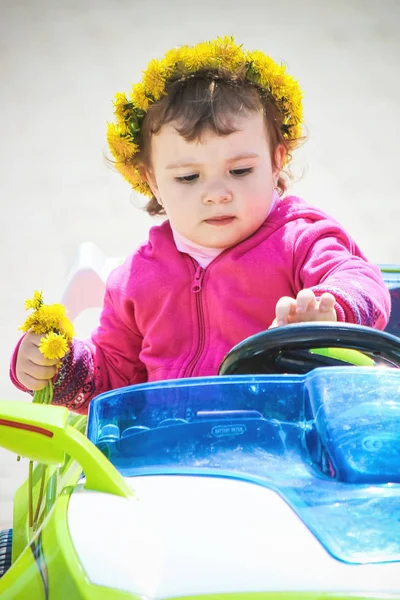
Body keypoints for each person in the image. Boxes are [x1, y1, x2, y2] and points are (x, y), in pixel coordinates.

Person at [10, 36, 390, 414]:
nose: (217, 194)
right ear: (153, 181)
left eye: (240, 170)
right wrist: (57, 369)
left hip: (283, 444)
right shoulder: (138, 278)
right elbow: (112, 379)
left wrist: (331, 307)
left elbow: (360, 278)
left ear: (276, 162)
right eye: (189, 178)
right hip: (169, 452)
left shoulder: (299, 239)